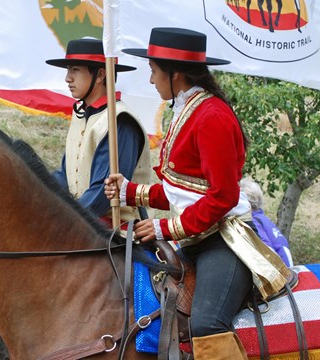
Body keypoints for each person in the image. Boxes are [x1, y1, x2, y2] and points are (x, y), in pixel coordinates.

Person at [104, 28, 289, 359]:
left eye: (154, 72)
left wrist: (165, 228)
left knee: (207, 324)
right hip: (194, 240)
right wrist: (129, 191)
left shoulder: (212, 116)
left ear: (176, 74)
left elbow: (223, 198)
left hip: (223, 241)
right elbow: (183, 192)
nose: (150, 81)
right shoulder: (187, 109)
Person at [46, 38, 151, 228]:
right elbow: (65, 176)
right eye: (68, 70)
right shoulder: (80, 115)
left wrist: (62, 220)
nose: (67, 78)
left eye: (75, 70)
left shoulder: (120, 120)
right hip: (83, 223)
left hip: (116, 231)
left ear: (100, 74)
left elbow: (102, 194)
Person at [240, 177, 294, 267]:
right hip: (289, 269)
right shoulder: (264, 219)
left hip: (280, 273)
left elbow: (267, 250)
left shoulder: (254, 222)